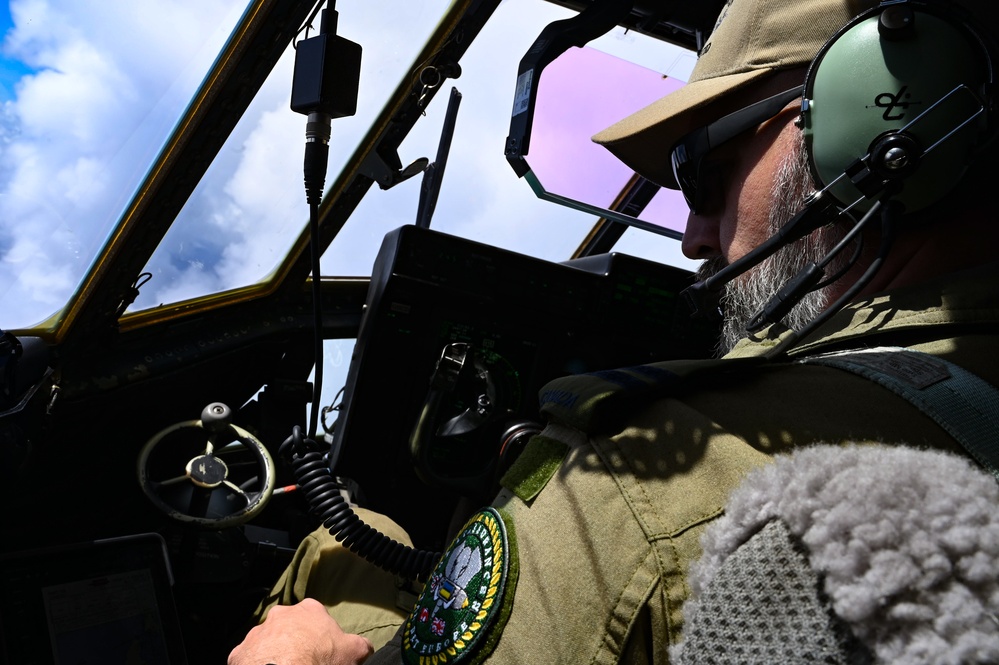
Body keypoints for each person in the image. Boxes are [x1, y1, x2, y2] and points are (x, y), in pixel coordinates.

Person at [230, 0, 999, 662]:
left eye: (702, 171)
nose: (693, 238)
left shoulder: (638, 488)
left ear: (873, 140)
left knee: (342, 542)